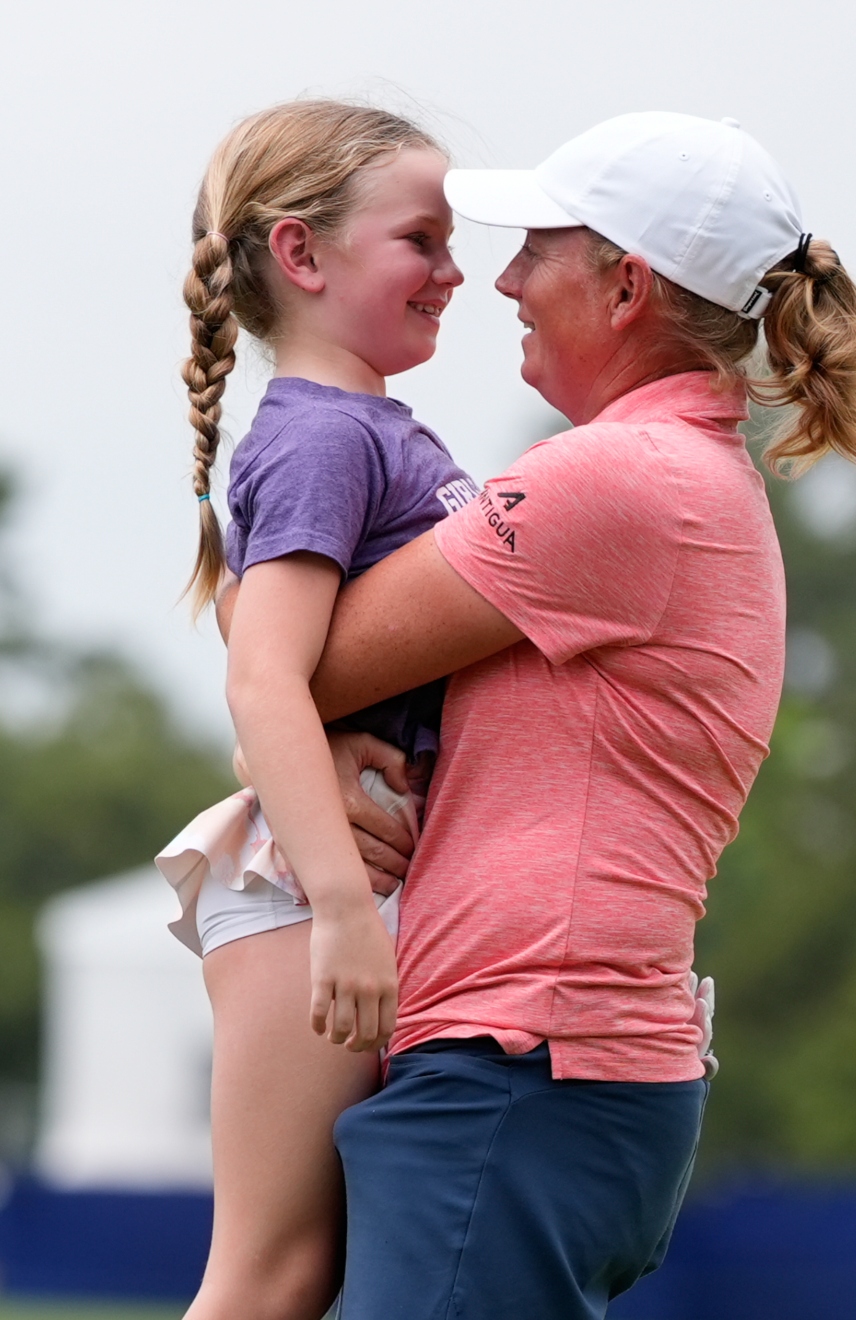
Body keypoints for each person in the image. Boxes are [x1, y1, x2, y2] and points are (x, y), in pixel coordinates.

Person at [277, 112, 856, 1318]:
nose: (503, 277)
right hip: (549, 1072)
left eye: (540, 249)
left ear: (626, 285)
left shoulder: (619, 479)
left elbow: (295, 658)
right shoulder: (668, 471)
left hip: (522, 1070)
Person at [150, 100, 475, 1320]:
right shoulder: (326, 436)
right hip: (306, 890)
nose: (454, 272)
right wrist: (343, 905)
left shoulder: (367, 427)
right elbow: (264, 671)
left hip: (332, 880)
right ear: (302, 254)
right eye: (423, 240)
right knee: (269, 1277)